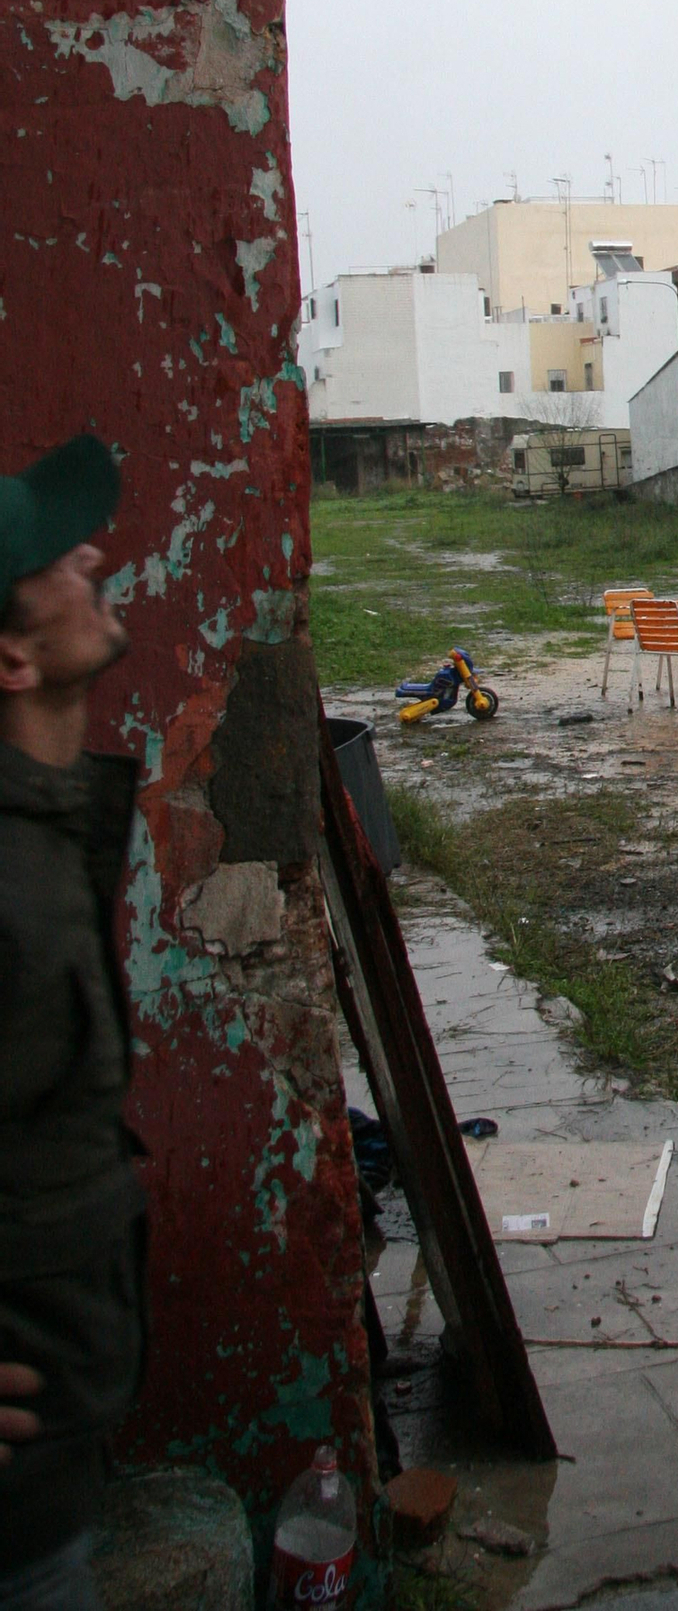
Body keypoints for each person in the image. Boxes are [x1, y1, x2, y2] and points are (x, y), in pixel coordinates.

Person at [0, 436, 142, 1611]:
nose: (89, 552)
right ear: (12, 654)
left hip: (57, 1455)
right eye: (50, 555)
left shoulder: (47, 823)